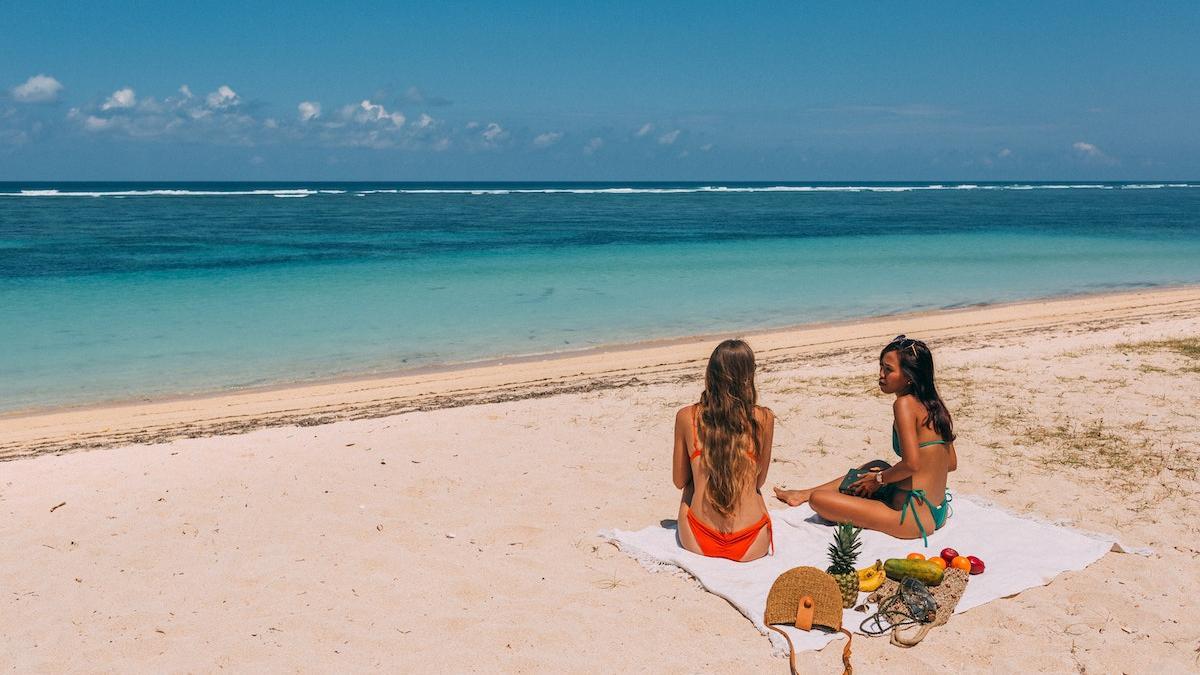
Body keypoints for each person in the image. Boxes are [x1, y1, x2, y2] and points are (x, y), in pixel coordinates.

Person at [773, 335, 957, 545]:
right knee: (877, 466)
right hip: (938, 509)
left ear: (909, 376)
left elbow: (912, 464)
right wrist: (887, 478)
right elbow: (950, 464)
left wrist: (879, 480)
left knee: (819, 501)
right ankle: (804, 493)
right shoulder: (935, 405)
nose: (881, 375)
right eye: (881, 367)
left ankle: (809, 495)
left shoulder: (904, 405)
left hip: (912, 517)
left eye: (888, 369)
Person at [673, 339, 776, 562]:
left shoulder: (686, 416)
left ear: (710, 373)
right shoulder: (764, 418)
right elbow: (759, 482)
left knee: (693, 481)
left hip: (698, 538)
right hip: (752, 543)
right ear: (749, 376)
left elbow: (679, 481)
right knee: (752, 489)